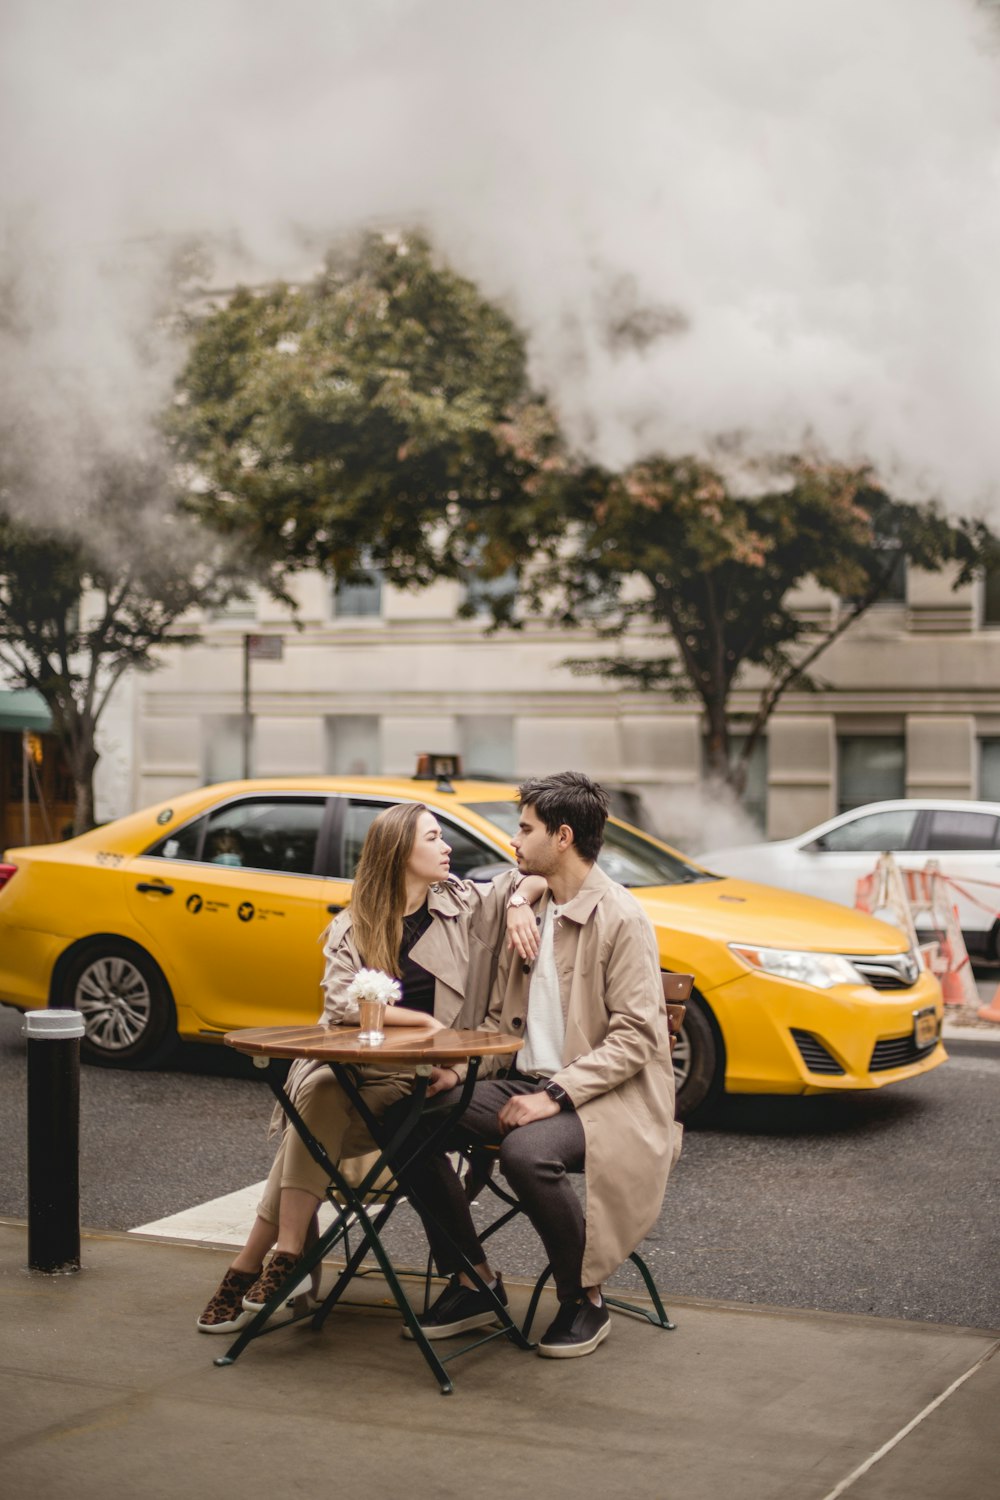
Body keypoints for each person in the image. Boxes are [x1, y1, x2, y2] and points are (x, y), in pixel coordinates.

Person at [196, 801, 543, 1332]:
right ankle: (286, 1253)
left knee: (314, 1108)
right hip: (354, 1072)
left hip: (414, 1083)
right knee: (322, 1090)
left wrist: (518, 902)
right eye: (433, 837)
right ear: (401, 851)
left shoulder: (462, 905)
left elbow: (532, 876)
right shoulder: (356, 923)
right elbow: (340, 1003)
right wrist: (421, 1023)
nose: (447, 847)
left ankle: (265, 1261)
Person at [403, 771, 681, 1359]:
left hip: (608, 1100)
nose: (514, 839)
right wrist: (460, 1073)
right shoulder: (536, 898)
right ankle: (473, 1279)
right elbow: (514, 1019)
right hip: (522, 1084)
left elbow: (638, 1036)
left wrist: (553, 1095)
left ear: (561, 836)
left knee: (527, 1152)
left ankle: (584, 1297)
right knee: (408, 1116)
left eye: (524, 829)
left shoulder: (621, 919)